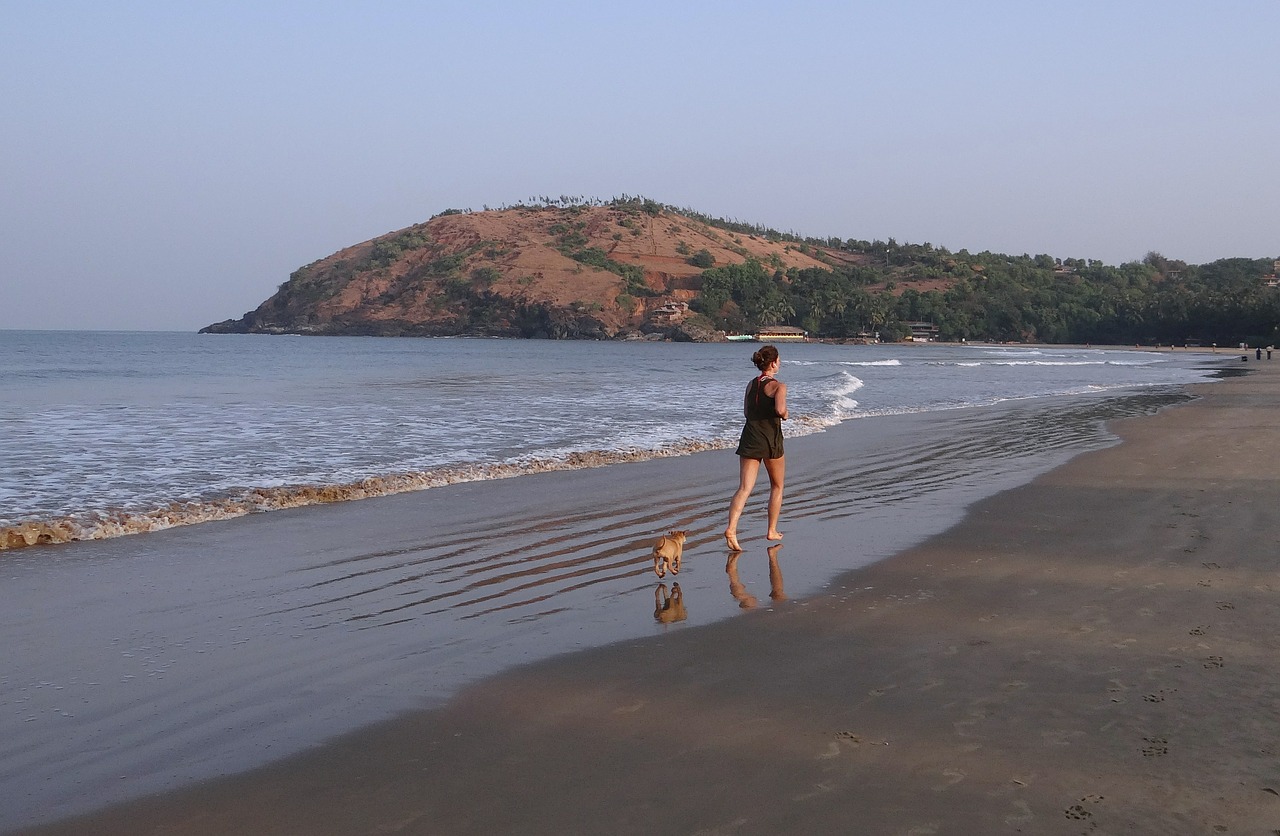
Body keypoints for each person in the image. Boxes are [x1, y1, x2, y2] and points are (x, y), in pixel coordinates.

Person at [723, 344, 788, 551]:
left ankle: (731, 528)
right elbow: (779, 409)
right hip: (770, 439)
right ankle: (771, 530)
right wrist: (785, 414)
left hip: (750, 436)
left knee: (744, 488)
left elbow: (746, 412)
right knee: (777, 486)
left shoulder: (750, 385)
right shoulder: (779, 386)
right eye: (779, 360)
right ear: (774, 363)